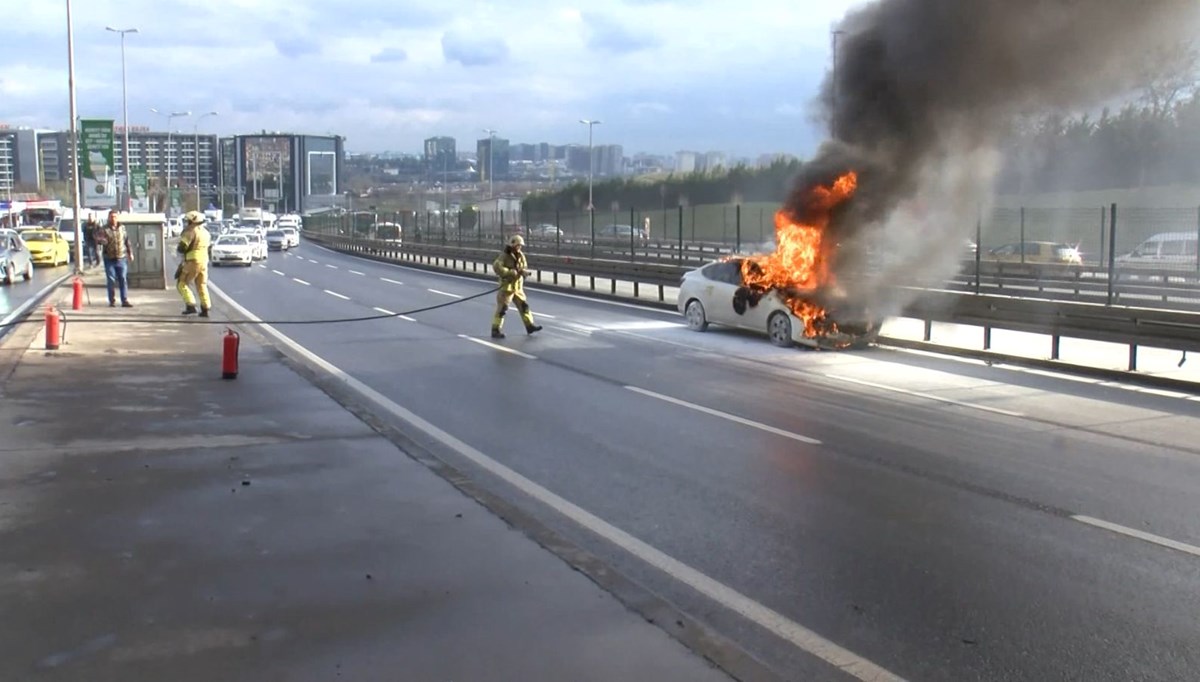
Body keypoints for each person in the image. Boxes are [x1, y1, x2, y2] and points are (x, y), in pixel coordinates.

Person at [491, 234, 541, 339]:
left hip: (517, 287)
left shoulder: (521, 255)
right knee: (502, 309)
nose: (519, 247)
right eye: (517, 245)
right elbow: (497, 267)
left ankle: (529, 325)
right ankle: (495, 329)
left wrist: (523, 272)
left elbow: (523, 266)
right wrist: (509, 272)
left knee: (524, 307)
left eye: (520, 246)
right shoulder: (504, 256)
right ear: (512, 245)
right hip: (507, 288)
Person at [176, 210, 213, 316]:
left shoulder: (190, 232)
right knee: (201, 284)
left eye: (188, 221)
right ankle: (205, 308)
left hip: (192, 261)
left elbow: (182, 247)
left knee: (181, 283)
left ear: (192, 221)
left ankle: (191, 305)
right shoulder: (206, 232)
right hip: (204, 261)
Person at [95, 209, 134, 307]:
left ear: (118, 217)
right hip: (109, 259)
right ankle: (112, 301)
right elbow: (98, 238)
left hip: (121, 258)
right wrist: (102, 240)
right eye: (111, 217)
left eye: (115, 217)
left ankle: (124, 300)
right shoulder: (104, 229)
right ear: (108, 218)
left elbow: (127, 241)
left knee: (123, 279)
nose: (113, 219)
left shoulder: (122, 228)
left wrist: (130, 253)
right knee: (111, 280)